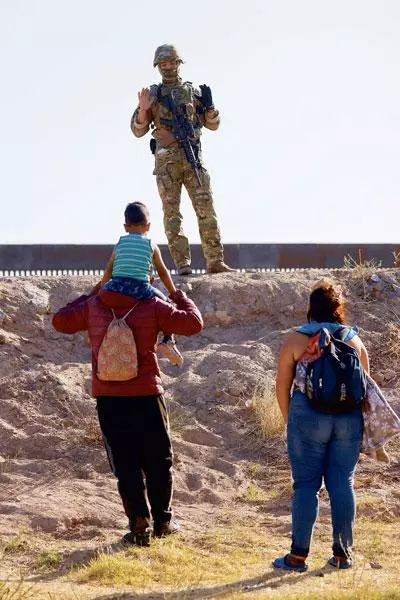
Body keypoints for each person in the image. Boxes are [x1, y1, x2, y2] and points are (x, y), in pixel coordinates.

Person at [52, 273, 203, 546]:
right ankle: (163, 522)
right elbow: (193, 323)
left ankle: (138, 524)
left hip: (110, 397)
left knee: (125, 463)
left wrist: (96, 288)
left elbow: (60, 320)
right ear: (149, 276)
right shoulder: (153, 304)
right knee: (159, 461)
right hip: (147, 394)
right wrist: (173, 290)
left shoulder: (95, 304)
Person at [273, 280, 368, 571]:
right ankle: (343, 556)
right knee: (343, 482)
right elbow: (365, 387)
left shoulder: (296, 339)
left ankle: (297, 556)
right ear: (339, 309)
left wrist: (292, 421)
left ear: (310, 309)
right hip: (349, 418)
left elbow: (282, 387)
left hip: (308, 416)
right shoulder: (354, 340)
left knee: (306, 486)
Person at [131, 44, 234, 276]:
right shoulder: (153, 95)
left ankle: (215, 261)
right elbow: (138, 130)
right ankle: (182, 264)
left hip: (193, 160)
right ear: (158, 67)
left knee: (206, 209)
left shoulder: (192, 92)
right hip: (167, 164)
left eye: (171, 63)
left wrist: (210, 110)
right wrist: (143, 111)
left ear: (179, 64)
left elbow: (212, 125)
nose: (167, 67)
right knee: (172, 214)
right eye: (163, 64)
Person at [100, 201, 183, 366]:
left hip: (115, 286)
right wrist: (173, 293)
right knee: (168, 308)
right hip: (140, 287)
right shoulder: (151, 245)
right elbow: (163, 272)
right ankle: (168, 340)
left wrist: (102, 290)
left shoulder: (120, 244)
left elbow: (109, 270)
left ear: (125, 227)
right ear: (148, 226)